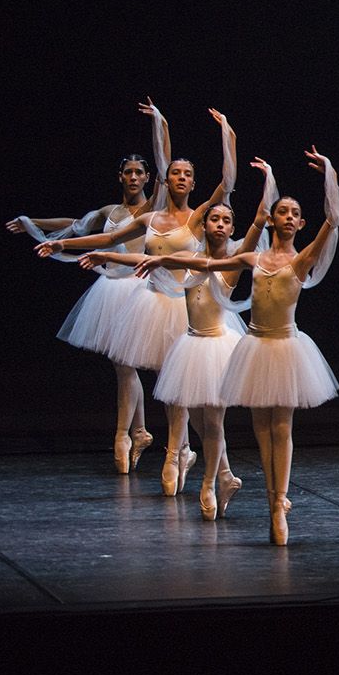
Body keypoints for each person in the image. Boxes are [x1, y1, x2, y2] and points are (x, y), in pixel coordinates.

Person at [140, 148, 339, 544]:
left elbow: (334, 219)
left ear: (300, 223)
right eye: (279, 211)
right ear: (273, 218)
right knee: (260, 431)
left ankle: (278, 505)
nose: (285, 216)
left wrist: (329, 172)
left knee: (280, 428)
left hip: (285, 348)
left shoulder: (301, 260)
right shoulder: (252, 257)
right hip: (253, 345)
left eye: (292, 213)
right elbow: (209, 266)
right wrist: (159, 262)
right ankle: (272, 499)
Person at [35, 103, 235, 489]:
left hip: (187, 308)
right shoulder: (149, 218)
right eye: (175, 172)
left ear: (193, 183)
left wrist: (227, 133)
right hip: (154, 305)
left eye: (186, 174)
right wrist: (65, 246)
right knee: (165, 385)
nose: (179, 177)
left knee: (180, 388)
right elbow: (109, 239)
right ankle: (180, 452)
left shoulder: (198, 217)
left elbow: (227, 183)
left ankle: (179, 453)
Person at [85, 187, 268, 517]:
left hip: (217, 349)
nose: (220, 225)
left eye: (226, 221)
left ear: (231, 228)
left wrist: (266, 182)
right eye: (214, 219)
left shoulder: (234, 261)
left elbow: (256, 225)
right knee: (197, 420)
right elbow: (149, 258)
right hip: (192, 346)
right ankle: (223, 474)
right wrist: (108, 256)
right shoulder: (191, 259)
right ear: (205, 225)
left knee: (212, 422)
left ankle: (210, 483)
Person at [9, 102, 165, 473]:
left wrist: (160, 124)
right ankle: (138, 431)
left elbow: (165, 165)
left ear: (146, 178)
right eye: (127, 172)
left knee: (127, 366)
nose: (132, 177)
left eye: (138, 172)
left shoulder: (153, 210)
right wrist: (35, 221)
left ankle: (123, 434)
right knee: (122, 367)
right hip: (111, 290)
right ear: (120, 176)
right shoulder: (110, 211)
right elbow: (77, 225)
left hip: (139, 291)